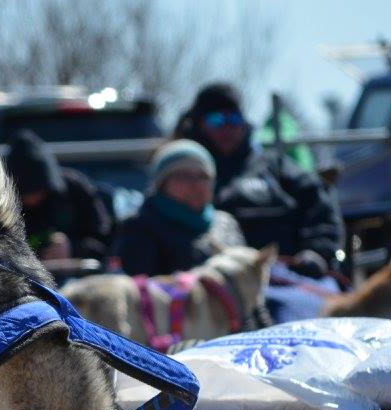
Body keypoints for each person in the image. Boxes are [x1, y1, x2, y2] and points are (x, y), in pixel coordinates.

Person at [174, 83, 344, 279]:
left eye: (234, 118)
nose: (227, 127)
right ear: (199, 124)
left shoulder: (274, 166)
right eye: (217, 120)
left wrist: (317, 252)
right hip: (218, 282)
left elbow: (320, 205)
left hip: (290, 276)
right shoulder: (184, 173)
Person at [115, 139, 245, 277]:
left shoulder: (225, 223)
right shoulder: (140, 227)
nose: (197, 184)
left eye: (203, 176)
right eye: (184, 176)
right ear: (162, 184)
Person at [4, 129, 114, 264]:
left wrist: (73, 248)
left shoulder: (75, 190)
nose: (33, 198)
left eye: (37, 191)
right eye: (26, 193)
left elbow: (104, 239)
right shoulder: (3, 204)